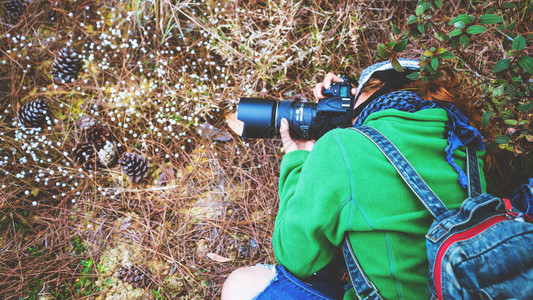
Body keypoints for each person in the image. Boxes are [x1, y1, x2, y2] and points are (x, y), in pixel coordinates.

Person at [221, 58, 490, 299]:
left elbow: (294, 257)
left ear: (375, 91)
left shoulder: (345, 148)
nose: (348, 103)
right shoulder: (467, 144)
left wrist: (298, 161)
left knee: (242, 284)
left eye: (354, 93)